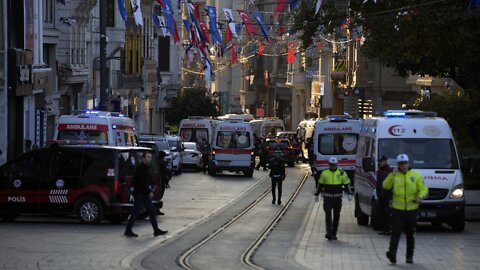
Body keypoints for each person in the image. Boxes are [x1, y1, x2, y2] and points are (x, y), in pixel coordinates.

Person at [383, 154, 428, 264]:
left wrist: (420, 197)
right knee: (396, 232)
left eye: (405, 164)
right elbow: (385, 186)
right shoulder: (394, 175)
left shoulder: (416, 175)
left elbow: (424, 189)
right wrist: (391, 176)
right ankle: (392, 253)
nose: (403, 166)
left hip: (412, 210)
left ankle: (409, 256)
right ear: (398, 165)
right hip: (397, 210)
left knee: (410, 234)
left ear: (408, 164)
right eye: (401, 164)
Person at [124, 152, 168, 237]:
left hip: (144, 194)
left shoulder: (146, 168)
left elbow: (146, 181)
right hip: (140, 194)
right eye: (148, 157)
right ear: (143, 158)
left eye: (150, 157)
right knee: (135, 212)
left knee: (151, 211)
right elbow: (141, 182)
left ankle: (156, 230)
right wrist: (149, 191)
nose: (150, 159)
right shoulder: (140, 168)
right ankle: (128, 230)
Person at [314, 157, 352, 241]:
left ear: (337, 164)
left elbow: (347, 183)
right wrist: (316, 194)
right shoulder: (324, 173)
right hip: (328, 198)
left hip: (337, 198)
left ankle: (334, 233)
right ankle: (329, 233)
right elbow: (320, 184)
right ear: (329, 164)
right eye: (331, 165)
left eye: (334, 165)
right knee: (328, 215)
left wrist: (349, 193)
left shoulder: (341, 173)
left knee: (336, 215)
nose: (333, 166)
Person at [376, 156, 393, 235]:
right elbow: (378, 183)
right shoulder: (379, 171)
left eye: (382, 161)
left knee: (387, 213)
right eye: (379, 161)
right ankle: (384, 229)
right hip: (380, 195)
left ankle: (388, 229)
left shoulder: (389, 171)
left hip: (387, 196)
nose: (380, 163)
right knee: (381, 212)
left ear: (385, 161)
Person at [157, 151, 168, 216]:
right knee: (159, 195)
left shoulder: (156, 161)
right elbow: (165, 172)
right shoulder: (162, 163)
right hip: (161, 180)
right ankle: (156, 209)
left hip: (159, 180)